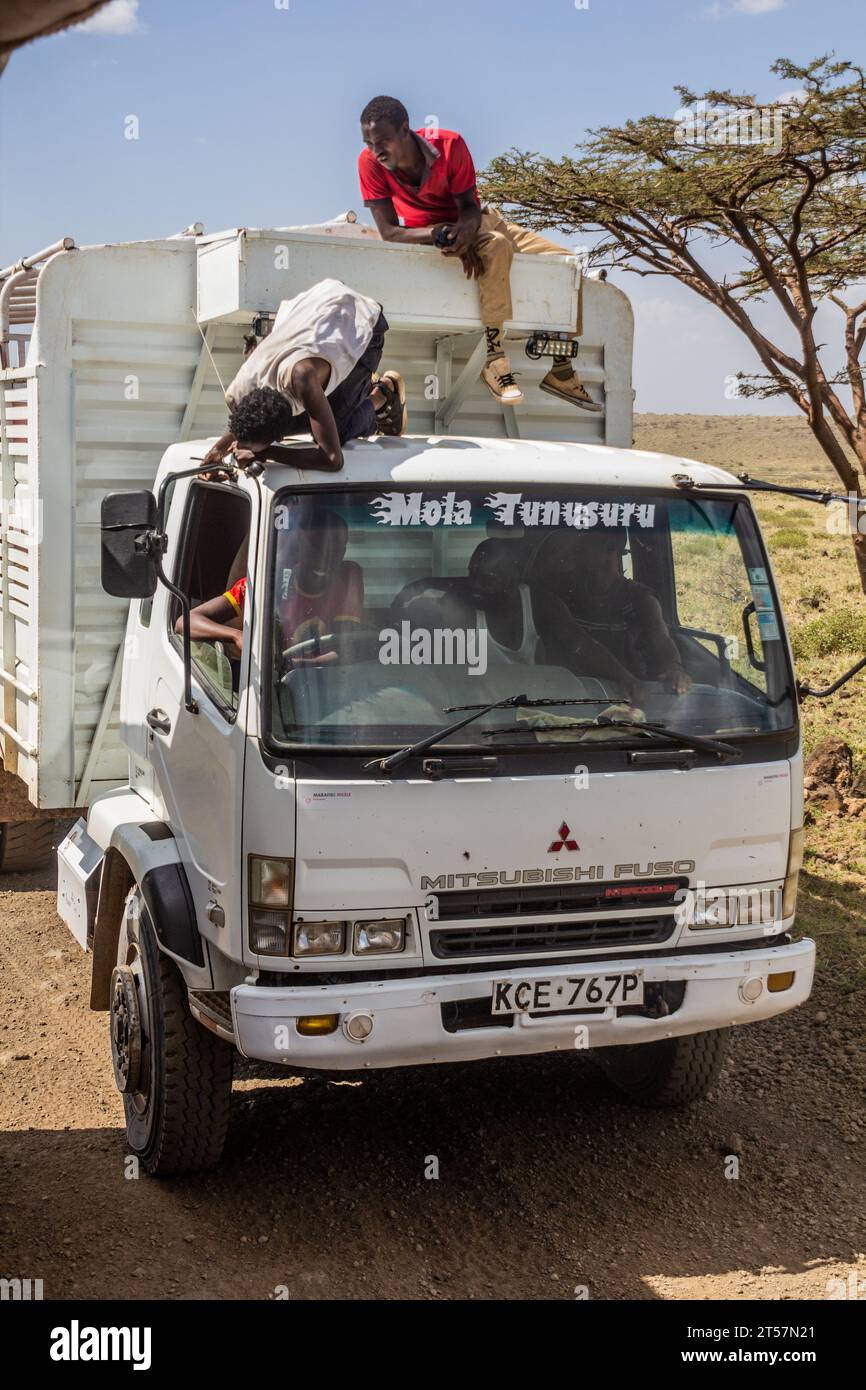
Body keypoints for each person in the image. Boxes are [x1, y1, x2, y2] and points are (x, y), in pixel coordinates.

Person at [358, 96, 601, 413]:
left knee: (567, 264)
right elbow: (390, 232)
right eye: (369, 142)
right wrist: (439, 237)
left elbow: (471, 210)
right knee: (496, 246)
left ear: (405, 129)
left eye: (384, 141)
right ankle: (494, 359)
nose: (376, 150)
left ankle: (561, 371)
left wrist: (467, 236)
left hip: (481, 221)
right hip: (440, 231)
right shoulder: (369, 163)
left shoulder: (450, 146)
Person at [201, 278, 407, 474]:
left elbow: (333, 459)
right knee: (315, 419)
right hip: (320, 310)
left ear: (278, 435)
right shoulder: (237, 394)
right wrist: (216, 452)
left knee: (339, 430)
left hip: (360, 319)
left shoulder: (304, 377)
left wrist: (267, 453)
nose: (240, 447)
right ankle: (354, 391)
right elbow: (245, 422)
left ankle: (383, 395)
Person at [179, 509, 363, 662]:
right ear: (301, 546)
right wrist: (236, 636)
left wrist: (297, 665)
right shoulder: (266, 583)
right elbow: (185, 622)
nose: (327, 556)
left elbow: (344, 650)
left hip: (326, 687)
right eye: (318, 546)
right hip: (270, 690)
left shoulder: (345, 585)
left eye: (337, 547)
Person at [530, 529, 691, 699]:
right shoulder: (560, 592)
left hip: (629, 700)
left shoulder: (640, 600)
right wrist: (624, 677)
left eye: (583, 543)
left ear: (611, 548)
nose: (574, 551)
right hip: (567, 700)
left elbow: (661, 639)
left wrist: (674, 669)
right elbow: (578, 641)